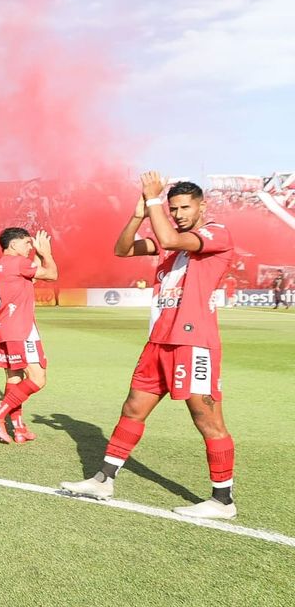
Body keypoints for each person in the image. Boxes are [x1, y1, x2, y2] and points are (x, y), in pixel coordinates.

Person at [62, 173, 238, 519]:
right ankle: (104, 480)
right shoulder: (169, 241)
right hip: (158, 341)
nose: (179, 213)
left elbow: (171, 238)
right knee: (132, 409)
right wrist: (140, 213)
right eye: (174, 208)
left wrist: (154, 199)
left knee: (207, 420)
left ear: (203, 206)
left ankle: (223, 500)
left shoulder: (216, 233)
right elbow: (122, 249)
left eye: (185, 207)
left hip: (192, 342)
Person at [0, 227, 57, 444]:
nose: (30, 248)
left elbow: (29, 281)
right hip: (21, 329)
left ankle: (19, 428)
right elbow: (52, 275)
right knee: (37, 378)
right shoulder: (18, 263)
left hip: (3, 328)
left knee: (15, 380)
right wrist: (46, 254)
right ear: (13, 244)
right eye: (27, 243)